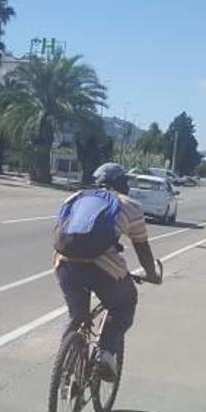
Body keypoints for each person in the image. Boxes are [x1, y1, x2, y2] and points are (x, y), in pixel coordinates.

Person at [53, 163, 161, 381]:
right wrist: (152, 274)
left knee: (77, 317)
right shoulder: (129, 205)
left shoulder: (75, 198)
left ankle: (65, 370)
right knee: (124, 303)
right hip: (103, 270)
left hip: (65, 265)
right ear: (122, 183)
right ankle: (105, 354)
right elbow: (142, 247)